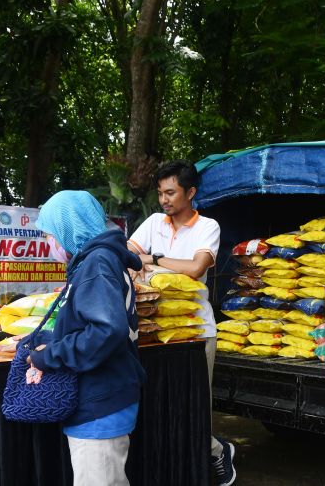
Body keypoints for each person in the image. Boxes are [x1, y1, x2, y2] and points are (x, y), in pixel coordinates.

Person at [126, 161, 235, 486]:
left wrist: (153, 260)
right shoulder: (153, 222)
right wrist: (138, 264)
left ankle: (215, 453)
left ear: (190, 192)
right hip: (154, 328)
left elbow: (196, 267)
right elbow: (127, 256)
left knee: (196, 403)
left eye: (171, 192)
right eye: (160, 193)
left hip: (196, 330)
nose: (164, 199)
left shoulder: (208, 227)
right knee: (161, 402)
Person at [26, 190, 145, 486]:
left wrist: (48, 356)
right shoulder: (98, 260)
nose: (48, 242)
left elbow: (106, 330)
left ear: (68, 227)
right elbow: (95, 324)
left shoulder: (96, 263)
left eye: (50, 233)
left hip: (100, 403)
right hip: (102, 398)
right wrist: (51, 340)